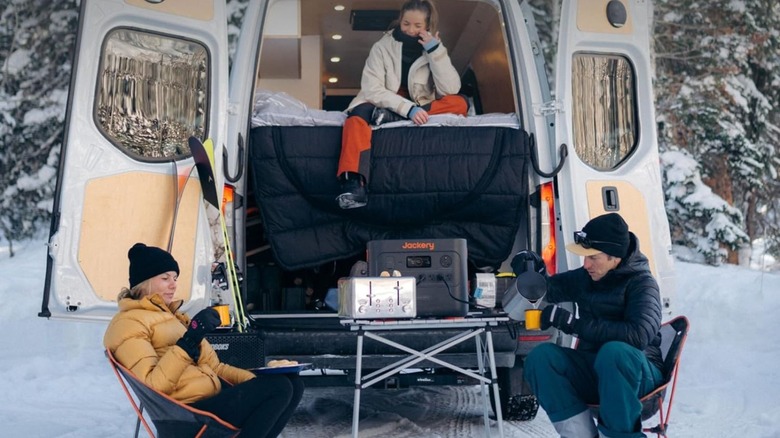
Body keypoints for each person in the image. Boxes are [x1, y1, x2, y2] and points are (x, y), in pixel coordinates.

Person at [104, 243, 304, 438]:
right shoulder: (128, 323)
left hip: (210, 398)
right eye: (165, 278)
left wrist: (254, 379)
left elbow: (215, 368)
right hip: (185, 413)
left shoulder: (175, 317)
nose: (174, 285)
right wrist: (188, 341)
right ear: (144, 283)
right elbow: (154, 386)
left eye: (175, 278)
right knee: (280, 388)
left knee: (292, 383)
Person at [521, 213, 664, 438]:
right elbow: (549, 289)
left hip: (639, 375)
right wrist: (534, 273)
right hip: (596, 370)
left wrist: (575, 324)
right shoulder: (587, 276)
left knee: (614, 352)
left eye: (593, 258)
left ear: (615, 257)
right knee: (541, 358)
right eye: (585, 257)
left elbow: (639, 336)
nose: (586, 264)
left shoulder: (642, 284)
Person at [336, 0, 468, 209]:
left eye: (417, 26)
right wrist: (407, 110)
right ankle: (353, 183)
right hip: (381, 101)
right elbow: (372, 89)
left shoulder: (434, 48)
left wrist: (435, 52)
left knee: (460, 103)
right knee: (356, 117)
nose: (410, 30)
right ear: (400, 20)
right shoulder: (382, 47)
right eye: (406, 23)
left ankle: (393, 119)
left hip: (419, 105)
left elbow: (450, 89)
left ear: (427, 25)